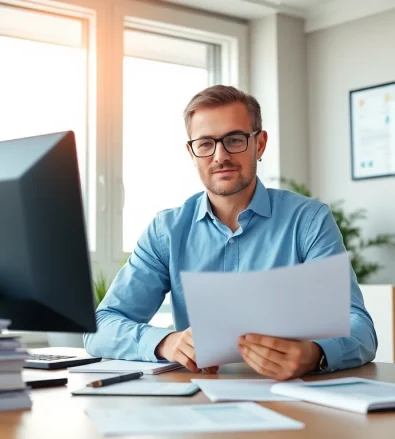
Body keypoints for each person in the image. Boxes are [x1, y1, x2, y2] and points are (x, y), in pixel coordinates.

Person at [83, 85, 377, 380]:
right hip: (199, 400)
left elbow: (360, 327)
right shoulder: (166, 231)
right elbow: (101, 325)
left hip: (295, 399)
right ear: (192, 152)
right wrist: (166, 343)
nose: (220, 156)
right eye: (206, 144)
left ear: (259, 144)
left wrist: (315, 354)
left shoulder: (309, 221)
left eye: (234, 140)